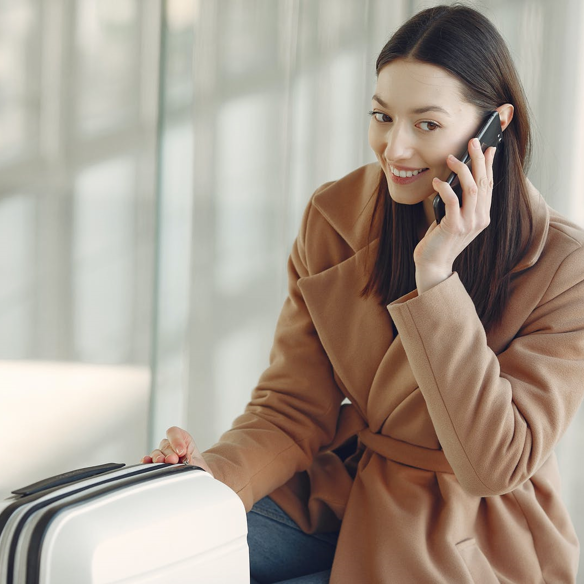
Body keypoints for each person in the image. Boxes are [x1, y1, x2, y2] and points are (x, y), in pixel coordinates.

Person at [142, 4, 584, 583]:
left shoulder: (564, 268)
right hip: (344, 491)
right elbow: (293, 408)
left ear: (494, 126)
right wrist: (209, 476)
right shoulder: (335, 217)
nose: (395, 149)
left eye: (426, 124)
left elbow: (492, 463)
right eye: (382, 116)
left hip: (473, 531)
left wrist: (437, 277)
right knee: (153, 553)